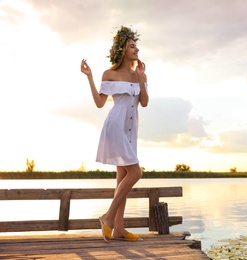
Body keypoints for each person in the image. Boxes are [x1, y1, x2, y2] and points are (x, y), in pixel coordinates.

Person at [80, 26, 149, 242]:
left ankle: (119, 227)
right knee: (136, 173)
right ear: (122, 50)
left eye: (136, 45)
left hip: (131, 129)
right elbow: (100, 103)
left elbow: (144, 102)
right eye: (132, 46)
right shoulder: (109, 74)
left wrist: (140, 78)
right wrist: (90, 77)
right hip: (115, 126)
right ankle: (108, 217)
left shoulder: (140, 74)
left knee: (122, 178)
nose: (136, 49)